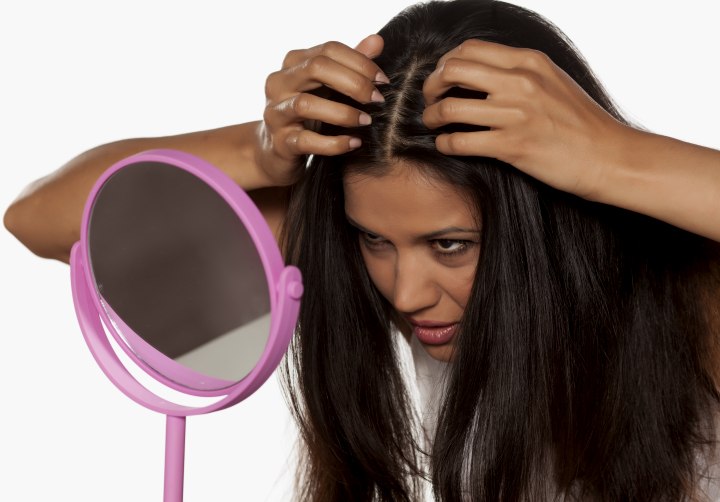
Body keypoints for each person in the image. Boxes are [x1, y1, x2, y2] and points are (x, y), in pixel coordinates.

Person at [5, 0, 720, 500]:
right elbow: (42, 219)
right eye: (377, 240)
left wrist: (612, 159)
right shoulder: (361, 252)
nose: (405, 293)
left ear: (548, 229)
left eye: (451, 245)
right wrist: (259, 148)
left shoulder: (687, 291)